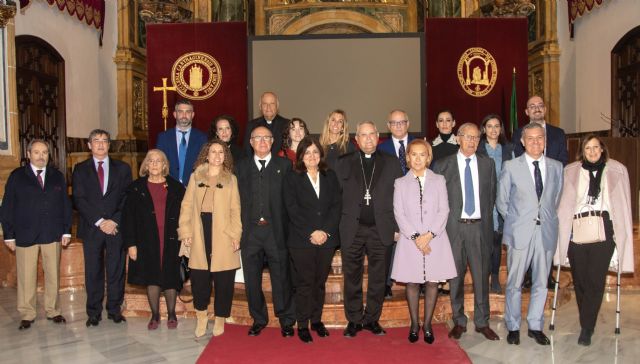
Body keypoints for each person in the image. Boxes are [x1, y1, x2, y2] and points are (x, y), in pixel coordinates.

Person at [555, 135, 634, 346]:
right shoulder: (571, 171)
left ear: (602, 149)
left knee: (595, 280)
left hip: (604, 229)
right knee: (580, 280)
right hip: (577, 229)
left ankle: (586, 327)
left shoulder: (616, 170)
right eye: (588, 148)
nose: (592, 152)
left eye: (596, 147)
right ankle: (587, 320)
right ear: (582, 151)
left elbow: (623, 203)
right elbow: (562, 204)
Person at [334, 121, 403, 337]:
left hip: (380, 228)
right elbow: (335, 198)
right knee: (352, 276)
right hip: (352, 228)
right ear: (357, 139)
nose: (368, 139)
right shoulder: (343, 163)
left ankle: (372, 318)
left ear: (378, 136)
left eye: (372, 134)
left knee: (378, 277)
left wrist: (397, 226)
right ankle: (354, 320)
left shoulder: (391, 163)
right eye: (363, 135)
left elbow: (400, 198)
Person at [497, 122, 563, 346]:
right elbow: (502, 202)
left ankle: (535, 325)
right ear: (523, 142)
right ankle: (513, 326)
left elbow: (554, 199)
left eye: (539, 138)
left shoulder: (556, 167)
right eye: (531, 139)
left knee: (541, 282)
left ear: (545, 141)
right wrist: (518, 222)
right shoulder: (511, 166)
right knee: (514, 282)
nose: (535, 142)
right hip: (520, 233)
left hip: (545, 232)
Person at [432, 123, 500, 341]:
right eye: (467, 137)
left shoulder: (487, 164)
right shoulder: (443, 165)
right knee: (456, 278)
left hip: (480, 228)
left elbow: (491, 197)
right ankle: (459, 320)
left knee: (482, 277)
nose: (472, 141)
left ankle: (482, 322)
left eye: (476, 138)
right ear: (458, 138)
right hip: (454, 229)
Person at [0, 139, 72, 330]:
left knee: (52, 274)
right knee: (26, 275)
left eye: (45, 153)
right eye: (37, 152)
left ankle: (53, 310)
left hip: (52, 232)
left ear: (49, 155)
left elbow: (66, 204)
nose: (41, 156)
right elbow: (7, 206)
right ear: (29, 154)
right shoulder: (17, 176)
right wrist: (9, 235)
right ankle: (27, 312)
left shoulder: (57, 176)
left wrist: (67, 230)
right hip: (25, 233)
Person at [391, 139, 457, 344]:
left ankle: (427, 325)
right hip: (410, 241)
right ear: (408, 157)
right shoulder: (400, 183)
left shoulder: (439, 180)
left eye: (422, 154)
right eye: (414, 154)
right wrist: (415, 237)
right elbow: (399, 213)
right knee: (411, 282)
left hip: (435, 240)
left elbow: (444, 210)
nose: (418, 158)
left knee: (432, 282)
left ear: (428, 157)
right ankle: (414, 324)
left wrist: (429, 235)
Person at [235, 126, 296, 337]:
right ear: (250, 142)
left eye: (266, 138)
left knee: (281, 277)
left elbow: (291, 201)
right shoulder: (240, 167)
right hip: (250, 233)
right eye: (257, 138)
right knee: (252, 279)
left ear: (273, 142)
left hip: (276, 232)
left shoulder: (285, 166)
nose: (262, 142)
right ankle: (259, 319)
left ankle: (286, 320)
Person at [178, 140, 242, 338]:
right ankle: (202, 317)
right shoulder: (196, 177)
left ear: (225, 156)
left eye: (221, 152)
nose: (217, 156)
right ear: (206, 154)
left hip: (222, 233)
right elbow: (186, 206)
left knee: (224, 280)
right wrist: (186, 232)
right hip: (199, 231)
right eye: (213, 152)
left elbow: (235, 210)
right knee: (199, 278)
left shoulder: (231, 179)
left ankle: (221, 317)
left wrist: (235, 235)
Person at [283, 137, 342, 343]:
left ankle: (316, 320)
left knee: (319, 282)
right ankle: (302, 324)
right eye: (307, 153)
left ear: (321, 155)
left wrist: (325, 232)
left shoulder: (330, 175)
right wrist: (311, 231)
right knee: (305, 283)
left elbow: (336, 206)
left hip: (326, 239)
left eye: (315, 152)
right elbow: (292, 208)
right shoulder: (292, 177)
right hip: (301, 240)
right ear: (300, 156)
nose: (311, 156)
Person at [72, 129, 132, 327]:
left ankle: (114, 309)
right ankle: (93, 312)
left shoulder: (123, 168)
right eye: (96, 141)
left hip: (116, 227)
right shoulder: (80, 169)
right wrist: (99, 221)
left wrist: (113, 220)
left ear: (109, 145)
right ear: (89, 145)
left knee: (116, 270)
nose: (100, 144)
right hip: (92, 228)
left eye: (104, 141)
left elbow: (126, 197)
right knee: (93, 271)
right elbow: (79, 199)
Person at [121, 149, 185, 330]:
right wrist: (131, 244)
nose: (155, 164)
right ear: (146, 165)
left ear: (165, 165)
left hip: (172, 239)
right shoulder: (135, 188)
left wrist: (186, 237)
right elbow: (128, 218)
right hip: (145, 240)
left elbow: (185, 214)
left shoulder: (176, 187)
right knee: (152, 277)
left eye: (159, 161)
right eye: (151, 160)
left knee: (171, 276)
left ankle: (172, 314)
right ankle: (155, 315)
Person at [477, 114, 515, 294]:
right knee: (485, 241)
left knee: (497, 242)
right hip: (484, 201)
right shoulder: (477, 149)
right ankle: (482, 276)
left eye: (496, 126)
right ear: (483, 129)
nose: (493, 130)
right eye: (489, 126)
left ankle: (494, 277)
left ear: (501, 129)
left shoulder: (508, 149)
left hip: (504, 200)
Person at [156, 99, 208, 186]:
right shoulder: (163, 137)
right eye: (180, 112)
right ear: (175, 114)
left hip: (194, 187)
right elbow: (159, 163)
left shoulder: (202, 138)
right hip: (169, 187)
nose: (184, 115)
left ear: (193, 115)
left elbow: (205, 165)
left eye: (188, 112)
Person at [512, 95, 568, 166]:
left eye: (540, 105)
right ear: (527, 112)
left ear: (545, 109)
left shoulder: (559, 133)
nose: (537, 109)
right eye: (532, 107)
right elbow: (518, 159)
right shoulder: (518, 134)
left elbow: (563, 161)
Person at [243, 91, 289, 156]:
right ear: (260, 106)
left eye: (272, 104)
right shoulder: (251, 125)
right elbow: (247, 151)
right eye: (265, 104)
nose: (268, 107)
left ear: (277, 106)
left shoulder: (287, 125)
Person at [378, 109, 416, 175]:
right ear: (388, 126)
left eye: (402, 122)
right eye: (394, 123)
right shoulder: (380, 149)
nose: (398, 126)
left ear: (407, 124)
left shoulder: (420, 145)